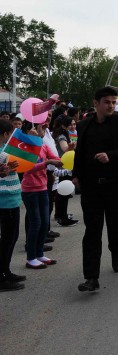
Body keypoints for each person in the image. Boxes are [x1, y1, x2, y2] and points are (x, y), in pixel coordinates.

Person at [73, 86, 118, 292]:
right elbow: (80, 153)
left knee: (114, 222)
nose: (111, 105)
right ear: (96, 104)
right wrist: (76, 174)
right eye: (107, 102)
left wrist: (111, 155)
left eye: (113, 102)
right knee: (92, 230)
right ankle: (91, 277)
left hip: (116, 184)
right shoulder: (84, 125)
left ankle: (115, 250)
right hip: (91, 186)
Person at [22, 123, 62, 270]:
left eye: (41, 129)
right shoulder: (24, 147)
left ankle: (39, 254)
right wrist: (48, 162)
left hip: (43, 187)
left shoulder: (42, 146)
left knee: (45, 222)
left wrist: (57, 159)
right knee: (36, 223)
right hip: (30, 189)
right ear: (27, 132)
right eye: (35, 128)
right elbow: (28, 168)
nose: (39, 131)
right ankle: (30, 257)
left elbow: (54, 156)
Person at [0, 120, 25, 291]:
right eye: (11, 132)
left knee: (12, 237)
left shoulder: (6, 150)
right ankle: (1, 277)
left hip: (12, 197)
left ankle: (5, 271)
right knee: (7, 239)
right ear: (5, 134)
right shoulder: (3, 151)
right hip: (4, 199)